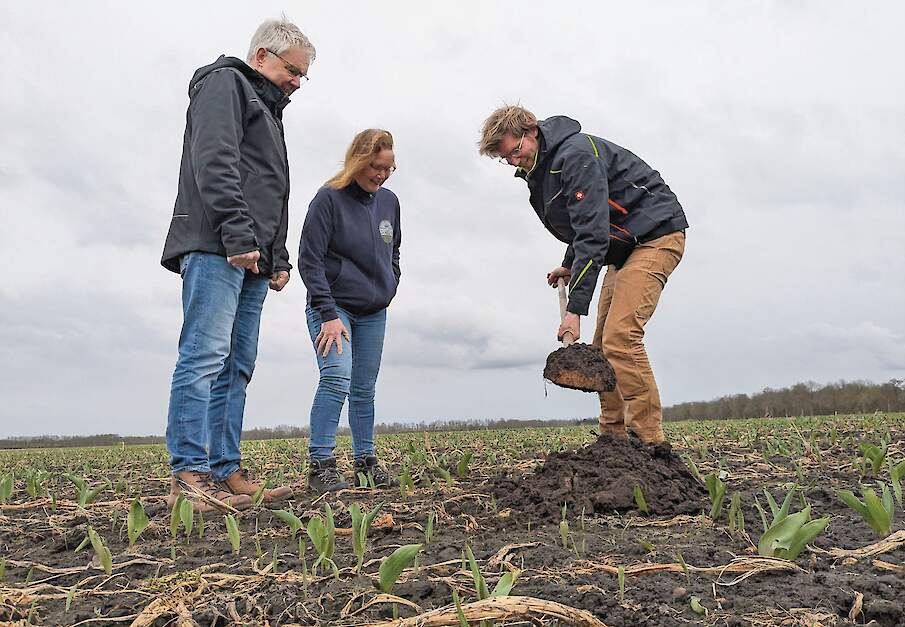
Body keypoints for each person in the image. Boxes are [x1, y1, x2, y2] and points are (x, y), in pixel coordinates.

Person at [160, 18, 316, 511]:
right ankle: (188, 476)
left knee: (237, 365)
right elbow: (216, 159)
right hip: (216, 245)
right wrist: (237, 233)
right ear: (262, 57)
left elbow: (270, 189)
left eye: (302, 75)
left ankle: (226, 472)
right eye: (293, 70)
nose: (297, 81)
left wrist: (277, 256)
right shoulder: (224, 84)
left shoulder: (269, 110)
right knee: (204, 356)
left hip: (251, 255)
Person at [479, 106, 688, 444]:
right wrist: (568, 262)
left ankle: (650, 441)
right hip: (622, 248)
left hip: (654, 236)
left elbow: (592, 231)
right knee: (604, 347)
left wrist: (575, 311)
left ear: (531, 131)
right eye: (507, 159)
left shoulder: (575, 155)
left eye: (515, 151)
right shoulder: (543, 168)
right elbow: (582, 224)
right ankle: (613, 438)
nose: (515, 162)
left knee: (622, 338)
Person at [298, 129, 401, 493]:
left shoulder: (389, 202)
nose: (381, 175)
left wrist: (390, 284)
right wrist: (327, 313)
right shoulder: (328, 199)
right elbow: (309, 261)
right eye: (375, 167)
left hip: (374, 311)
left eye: (388, 169)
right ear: (358, 160)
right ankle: (321, 464)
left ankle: (366, 464)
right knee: (337, 377)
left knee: (363, 388)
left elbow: (394, 251)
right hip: (334, 307)